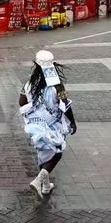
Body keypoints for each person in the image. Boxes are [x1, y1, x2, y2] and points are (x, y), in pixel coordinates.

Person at [19, 50, 77, 198]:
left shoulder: (29, 85)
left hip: (35, 125)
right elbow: (65, 104)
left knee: (44, 153)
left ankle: (45, 186)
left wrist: (34, 111)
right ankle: (38, 181)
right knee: (57, 153)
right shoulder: (58, 86)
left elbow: (22, 102)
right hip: (54, 125)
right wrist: (73, 122)